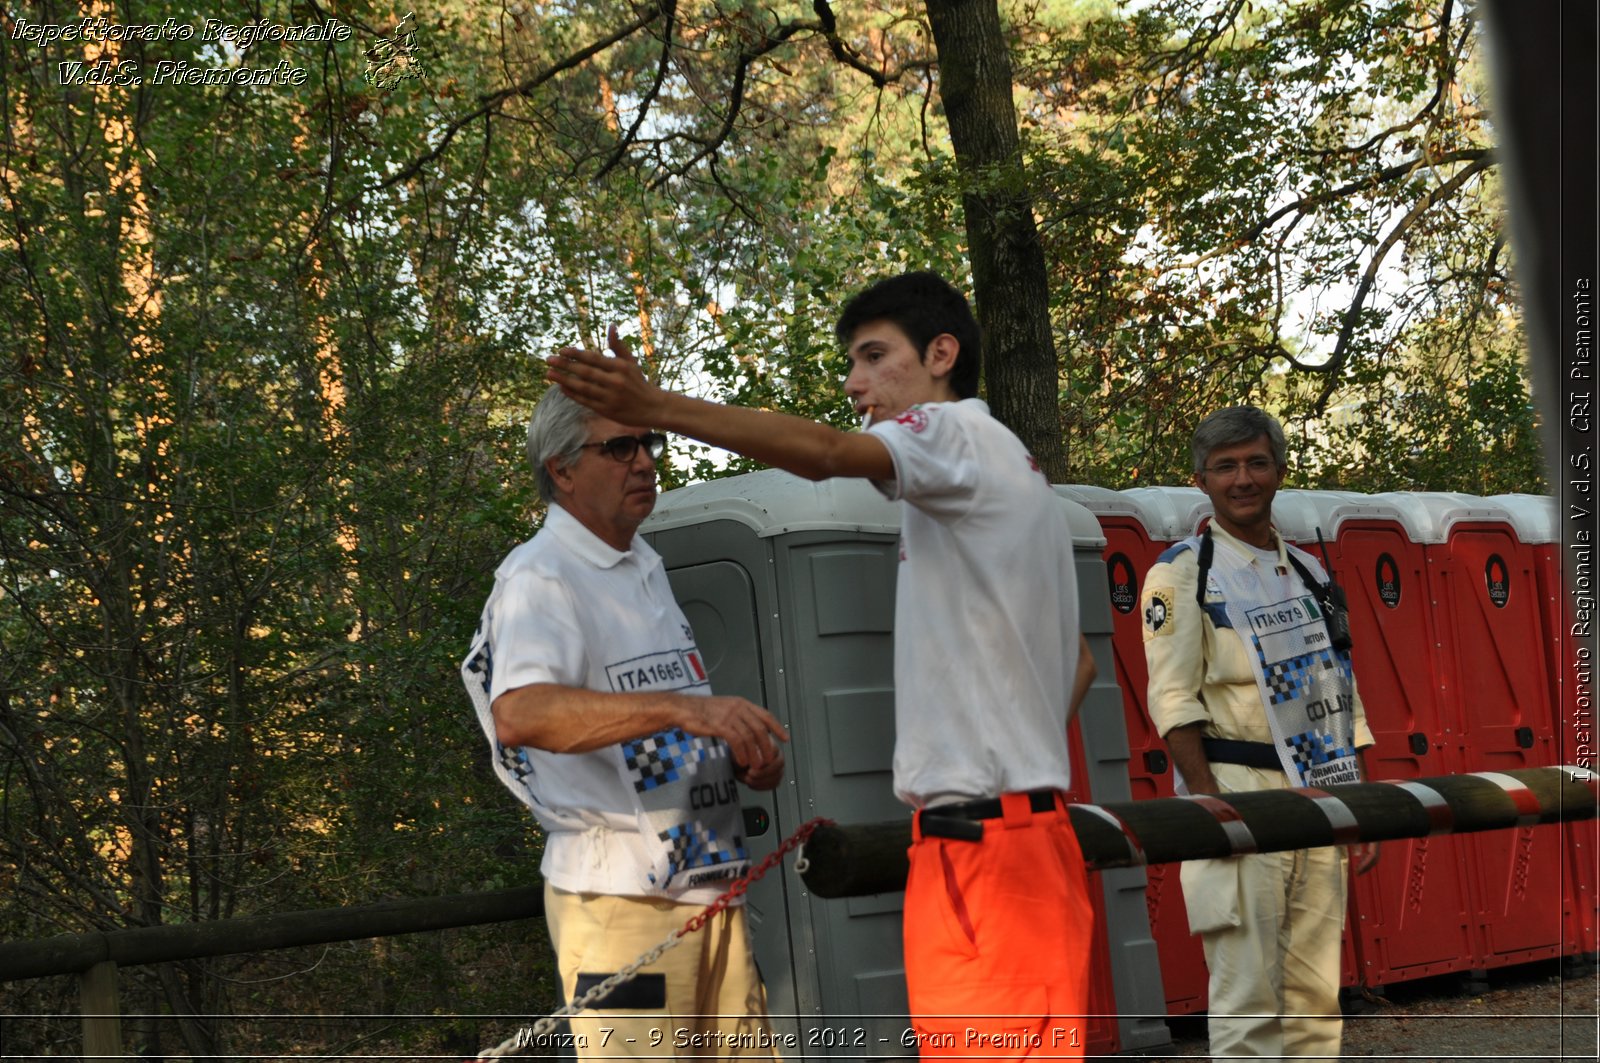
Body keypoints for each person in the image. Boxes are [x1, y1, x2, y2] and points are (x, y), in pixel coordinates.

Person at [548, 271, 1098, 1057]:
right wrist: (1014, 758)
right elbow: (1074, 662)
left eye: (874, 356)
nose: (854, 381)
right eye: (852, 361)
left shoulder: (959, 436)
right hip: (993, 840)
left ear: (943, 354)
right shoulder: (1001, 473)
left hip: (992, 853)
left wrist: (658, 406)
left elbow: (826, 453)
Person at [460, 387, 791, 1059]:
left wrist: (738, 759)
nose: (644, 462)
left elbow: (652, 726)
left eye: (649, 443)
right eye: (620, 447)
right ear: (562, 468)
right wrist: (688, 709)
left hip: (708, 888)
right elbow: (520, 713)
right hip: (619, 908)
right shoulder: (540, 575)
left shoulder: (642, 564)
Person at [1140, 405, 1379, 1060]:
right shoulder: (1181, 574)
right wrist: (1212, 803)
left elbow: (1339, 690)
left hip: (1319, 790)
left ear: (1279, 470)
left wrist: (1357, 803)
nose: (1242, 478)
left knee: (1314, 997)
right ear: (1201, 480)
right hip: (1235, 789)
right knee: (1247, 996)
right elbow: (1173, 700)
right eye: (1225, 467)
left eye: (1255, 462)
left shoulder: (1311, 571)